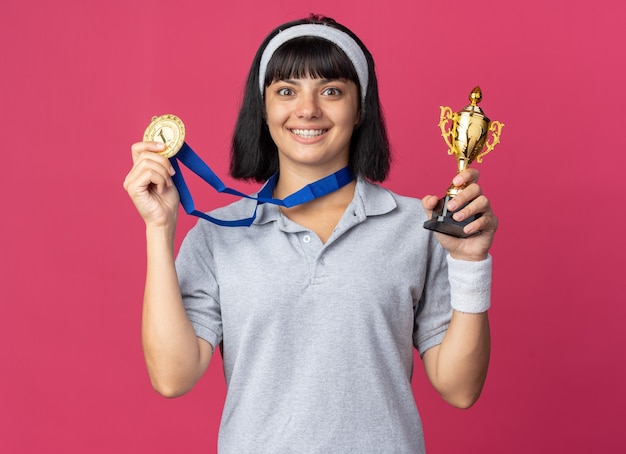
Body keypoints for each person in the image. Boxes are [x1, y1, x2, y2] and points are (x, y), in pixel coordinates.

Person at [123, 14, 497, 454]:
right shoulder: (216, 236)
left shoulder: (417, 226)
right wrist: (159, 227)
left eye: (332, 91)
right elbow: (172, 376)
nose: (308, 109)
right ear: (263, 110)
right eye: (286, 91)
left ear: (360, 110)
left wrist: (471, 263)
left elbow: (459, 389)